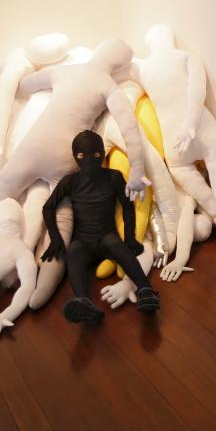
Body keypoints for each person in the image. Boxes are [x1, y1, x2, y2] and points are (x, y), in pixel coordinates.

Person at [42, 130, 161, 323]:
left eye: (95, 155)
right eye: (82, 156)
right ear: (75, 157)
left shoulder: (114, 177)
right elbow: (48, 208)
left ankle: (146, 290)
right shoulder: (70, 181)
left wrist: (130, 237)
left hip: (107, 237)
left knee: (118, 246)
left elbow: (128, 206)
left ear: (102, 155)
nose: (89, 160)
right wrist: (55, 237)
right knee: (73, 251)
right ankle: (84, 302)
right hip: (82, 240)